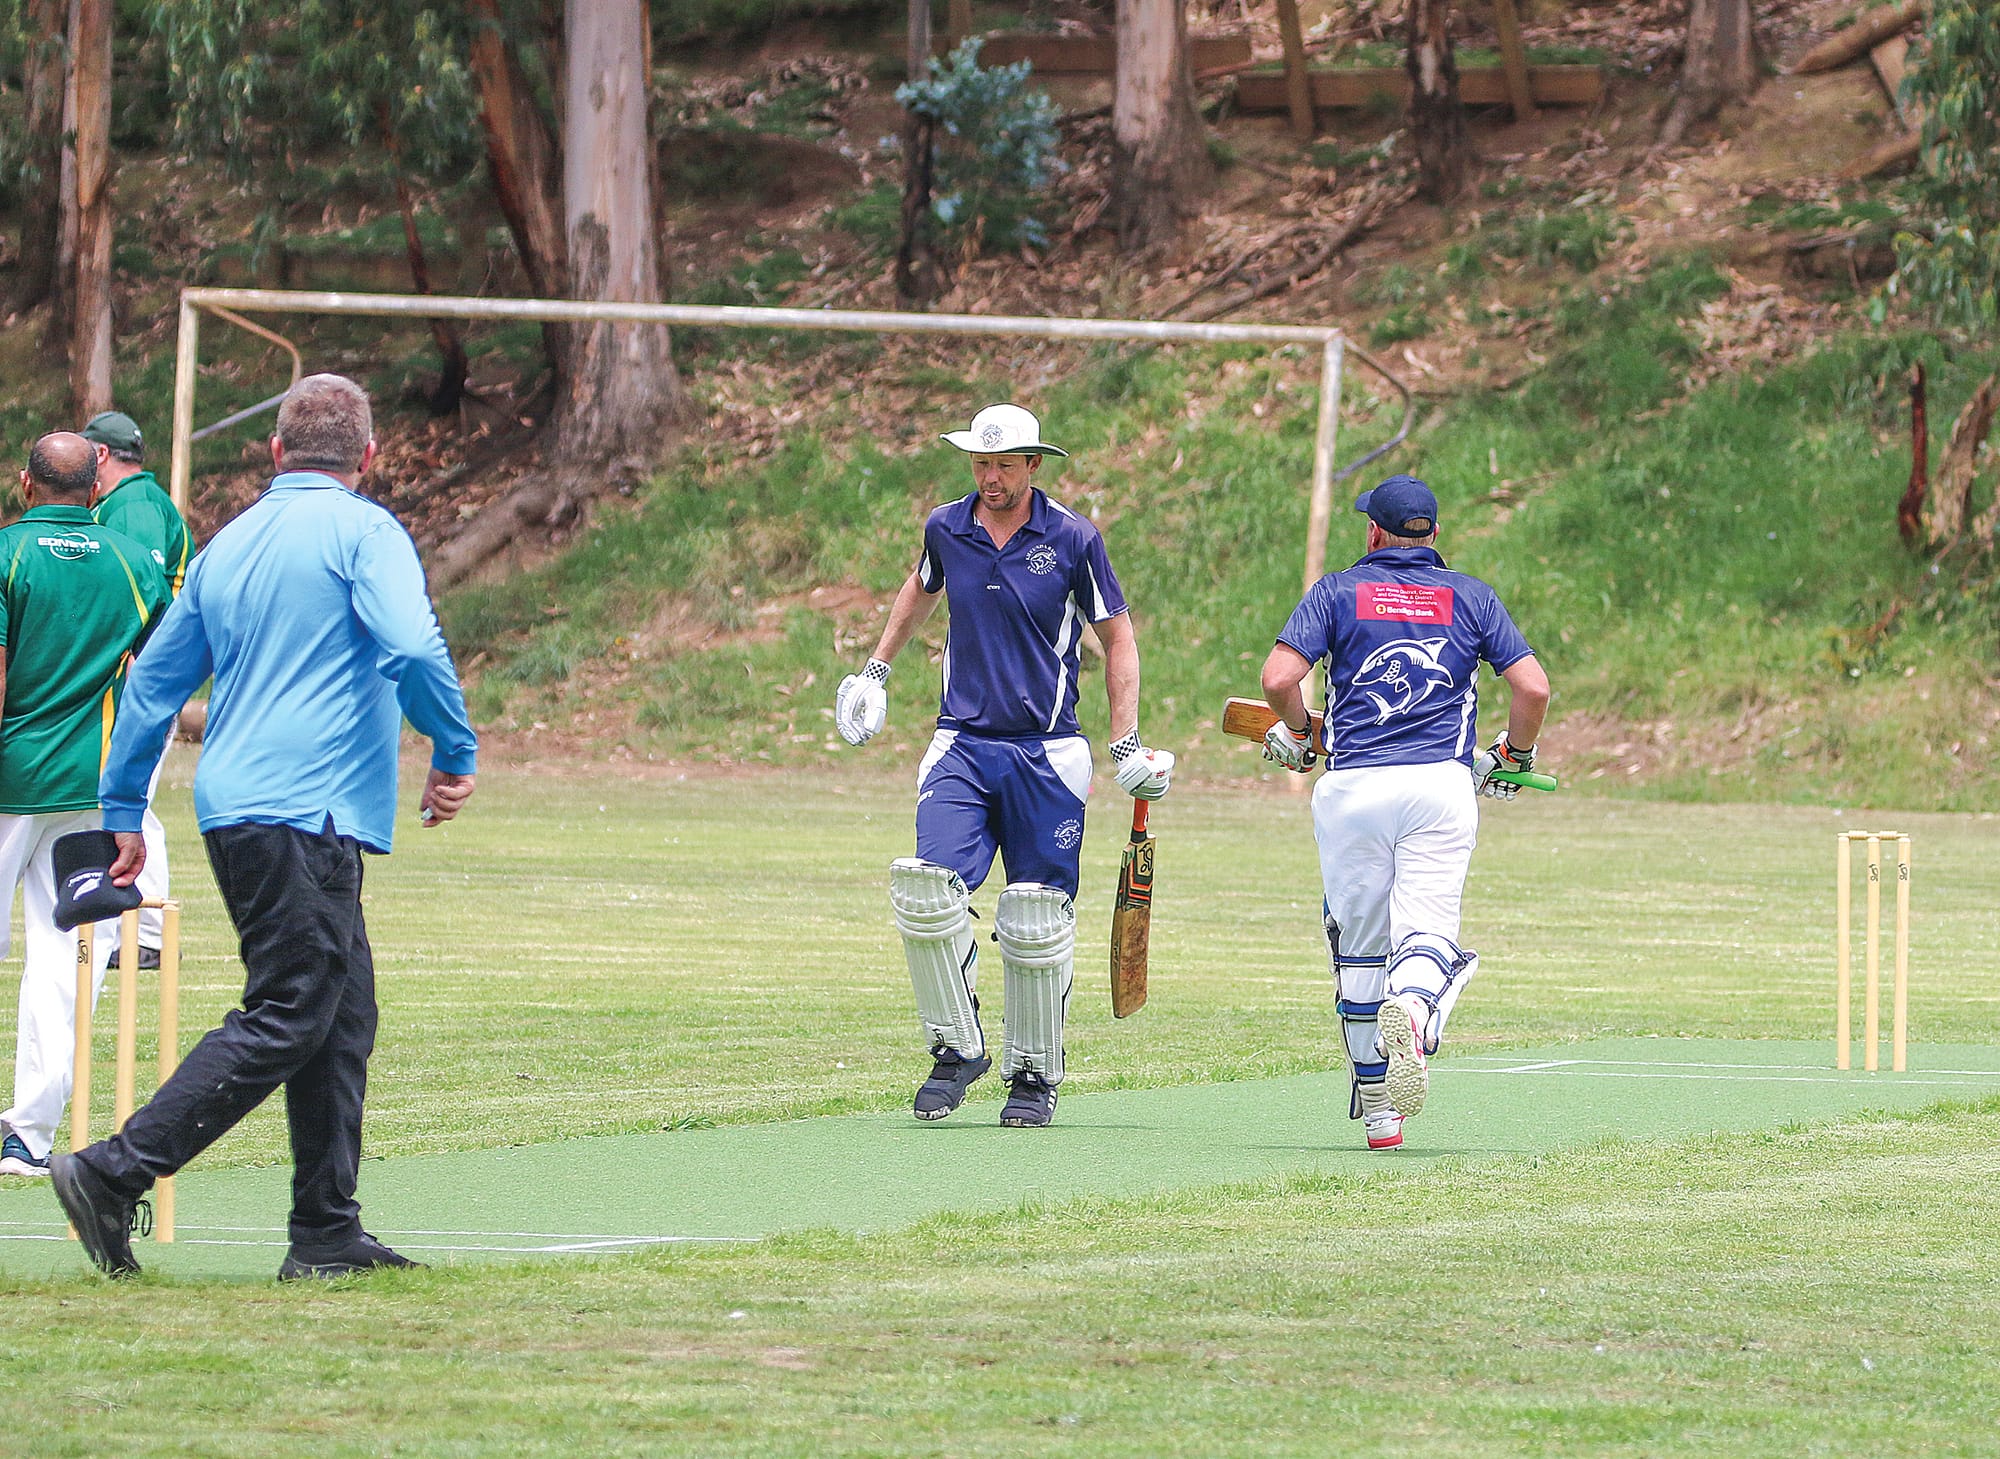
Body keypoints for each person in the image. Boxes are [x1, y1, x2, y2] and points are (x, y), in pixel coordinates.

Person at [50, 374, 479, 1280]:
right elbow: (408, 643)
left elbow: (156, 681)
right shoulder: (367, 531)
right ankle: (112, 1169)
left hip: (237, 807)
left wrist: (124, 807)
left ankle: (325, 1230)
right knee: (292, 1008)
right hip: (307, 812)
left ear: (276, 452)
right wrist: (452, 745)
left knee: (341, 1011)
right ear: (368, 457)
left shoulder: (229, 544)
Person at [833, 403, 1173, 1129]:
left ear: (1033, 465)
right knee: (926, 892)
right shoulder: (945, 526)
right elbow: (920, 589)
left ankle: (1033, 1073)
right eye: (981, 464)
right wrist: (876, 669)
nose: (991, 477)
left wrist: (1124, 745)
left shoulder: (1075, 538)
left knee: (1034, 917)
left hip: (1048, 752)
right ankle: (958, 1049)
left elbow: (1118, 641)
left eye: (1005, 465)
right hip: (961, 742)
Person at [1257, 474, 1549, 1152]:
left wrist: (1302, 731)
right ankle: (1415, 1013)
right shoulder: (1470, 596)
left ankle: (1381, 1112)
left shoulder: (1337, 590)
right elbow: (1532, 686)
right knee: (1427, 933)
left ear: (1373, 533)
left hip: (1353, 789)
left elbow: (1278, 679)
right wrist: (1514, 753)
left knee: (1358, 950)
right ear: (1435, 535)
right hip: (1437, 787)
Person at [0, 435, 171, 1180]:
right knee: (64, 955)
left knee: (62, 953)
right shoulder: (134, 564)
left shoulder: (7, 553)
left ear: (25, 483)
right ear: (93, 486)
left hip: (10, 781)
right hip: (90, 785)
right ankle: (28, 1137)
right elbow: (162, 673)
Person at [82, 409, 193, 972]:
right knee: (126, 798)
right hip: (139, 678)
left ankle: (149, 932)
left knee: (130, 799)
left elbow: (138, 594)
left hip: (142, 680)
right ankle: (142, 929)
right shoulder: (125, 505)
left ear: (100, 456)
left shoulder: (137, 507)